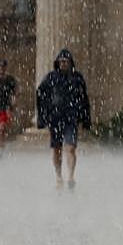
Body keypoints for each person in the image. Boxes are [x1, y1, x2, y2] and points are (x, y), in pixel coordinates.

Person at [36, 49, 92, 186]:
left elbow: (84, 99)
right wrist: (43, 117)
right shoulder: (51, 77)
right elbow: (41, 95)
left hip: (71, 118)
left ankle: (71, 176)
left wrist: (85, 119)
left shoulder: (77, 78)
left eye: (66, 62)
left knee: (71, 147)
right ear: (57, 63)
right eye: (61, 62)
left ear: (71, 63)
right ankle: (59, 176)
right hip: (55, 118)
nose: (63, 64)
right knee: (56, 149)